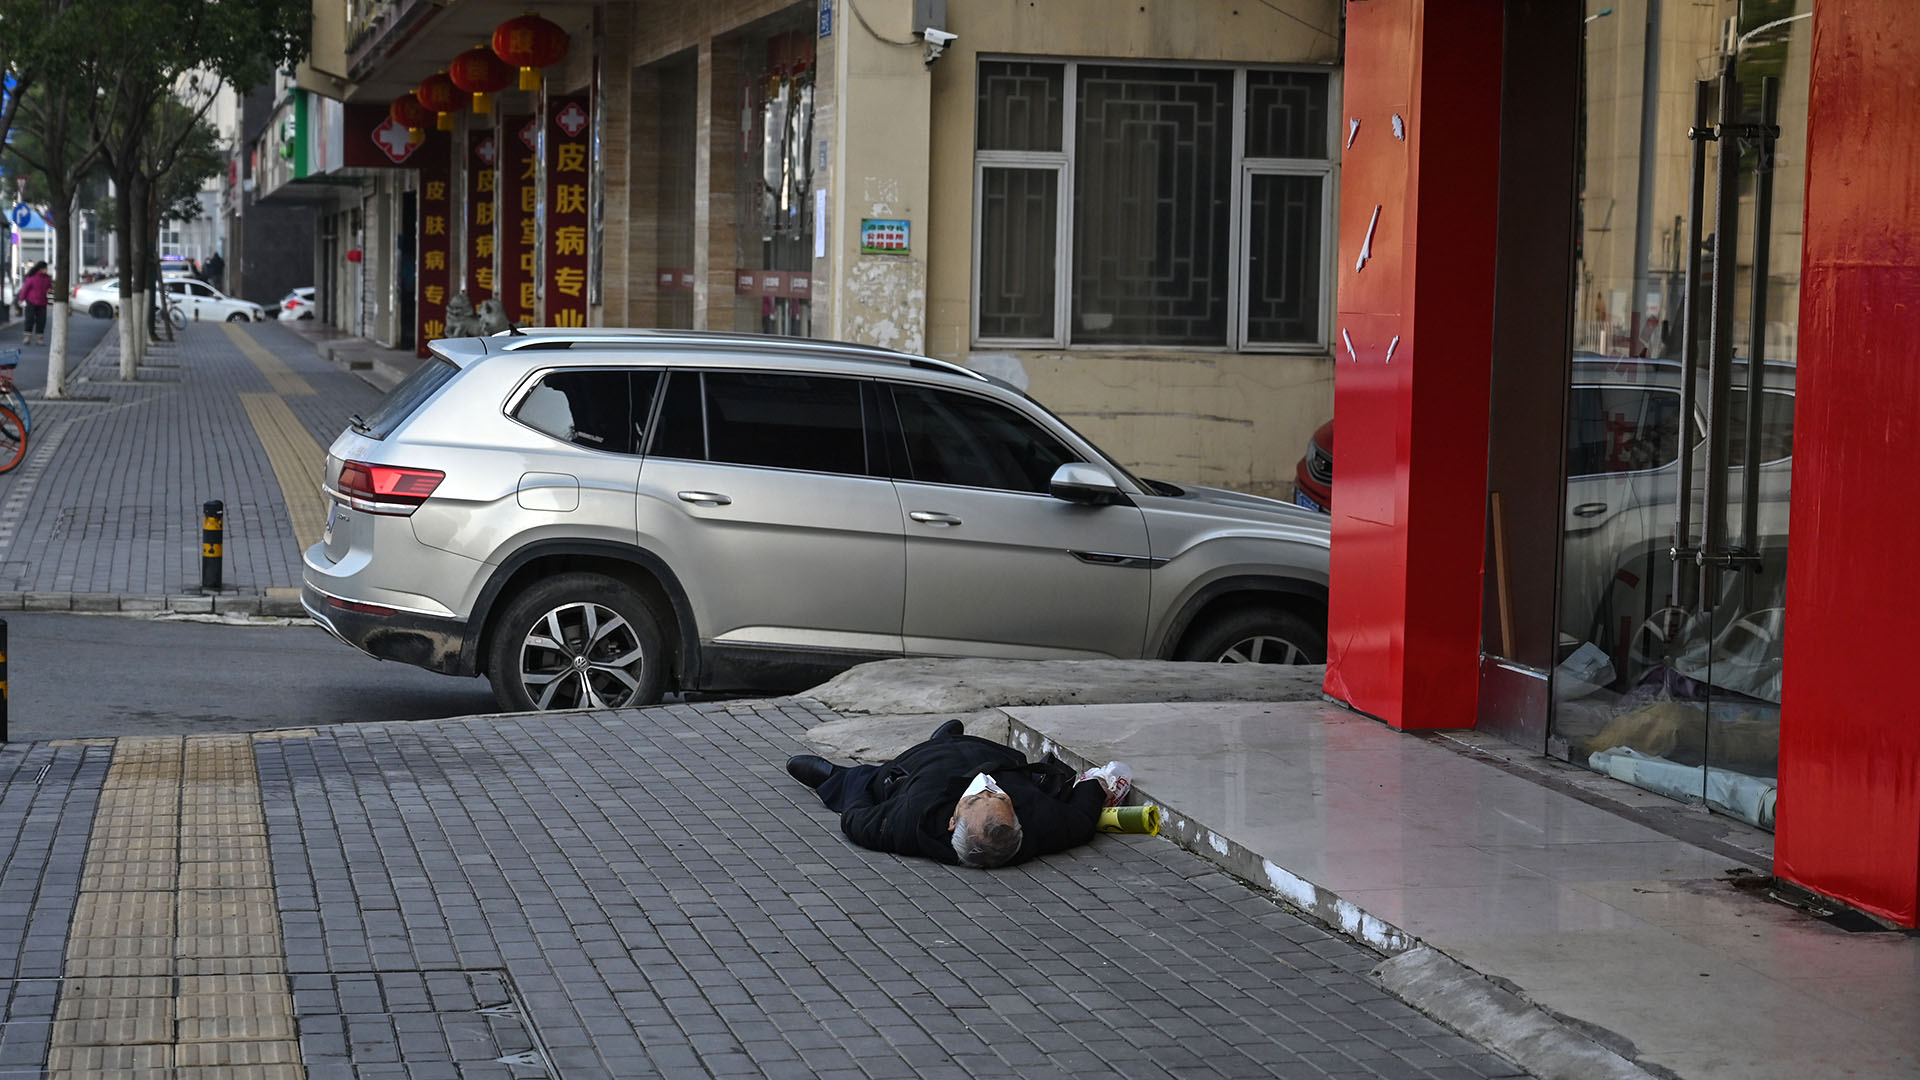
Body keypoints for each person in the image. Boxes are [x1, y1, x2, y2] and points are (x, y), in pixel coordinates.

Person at [787, 720, 1110, 868]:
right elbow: (1082, 815)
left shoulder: (904, 824)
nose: (985, 787)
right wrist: (1097, 782)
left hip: (918, 768)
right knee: (962, 749)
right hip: (986, 754)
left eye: (985, 798)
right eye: (997, 797)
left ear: (953, 822)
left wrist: (847, 784)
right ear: (1017, 824)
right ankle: (943, 740)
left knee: (862, 783)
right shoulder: (1045, 824)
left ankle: (832, 776)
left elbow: (856, 817)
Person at [17, 262, 52, 346]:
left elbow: (50, 288)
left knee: (41, 321)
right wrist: (21, 299)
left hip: (42, 303)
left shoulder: (47, 278)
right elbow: (25, 289)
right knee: (29, 319)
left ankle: (39, 338)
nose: (46, 270)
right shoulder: (32, 277)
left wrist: (50, 290)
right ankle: (27, 337)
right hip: (31, 302)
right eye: (45, 268)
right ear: (40, 269)